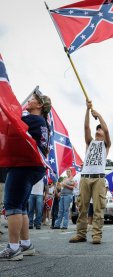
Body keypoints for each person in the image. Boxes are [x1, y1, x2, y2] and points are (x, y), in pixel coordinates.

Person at [0, 87, 51, 261]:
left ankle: (13, 249)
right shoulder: (41, 122)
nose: (28, 101)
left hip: (24, 165)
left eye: (32, 99)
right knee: (20, 206)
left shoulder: (31, 119)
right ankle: (25, 244)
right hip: (33, 167)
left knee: (12, 205)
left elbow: (9, 123)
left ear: (39, 104)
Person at [69, 101, 111, 244]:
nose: (98, 130)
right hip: (85, 177)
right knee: (82, 207)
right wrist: (87, 110)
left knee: (98, 208)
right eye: (97, 129)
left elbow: (107, 130)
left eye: (100, 129)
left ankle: (96, 235)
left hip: (99, 179)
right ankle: (81, 234)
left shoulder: (106, 145)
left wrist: (98, 115)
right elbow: (86, 127)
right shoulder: (90, 142)